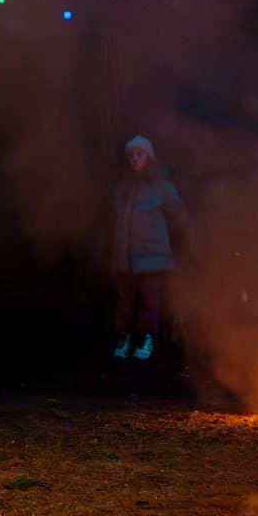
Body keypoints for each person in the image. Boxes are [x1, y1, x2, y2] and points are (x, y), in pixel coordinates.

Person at [109, 135, 186, 361]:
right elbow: (114, 221)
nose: (135, 159)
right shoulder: (121, 190)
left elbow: (179, 217)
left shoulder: (162, 188)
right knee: (125, 301)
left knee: (149, 302)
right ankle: (123, 338)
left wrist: (177, 242)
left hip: (153, 257)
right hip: (125, 258)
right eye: (131, 155)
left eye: (139, 154)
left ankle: (146, 338)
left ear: (149, 158)